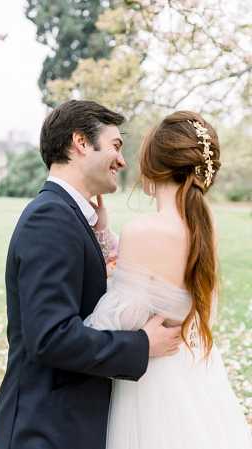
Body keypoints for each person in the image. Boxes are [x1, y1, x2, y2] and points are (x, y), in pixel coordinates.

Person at [0, 100, 182, 449]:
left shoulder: (68, 216)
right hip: (46, 431)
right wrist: (142, 345)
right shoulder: (49, 218)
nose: (123, 161)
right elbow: (50, 337)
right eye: (115, 146)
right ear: (80, 142)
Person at [84, 111, 252, 449]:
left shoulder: (144, 231)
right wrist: (105, 236)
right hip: (195, 373)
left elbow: (113, 323)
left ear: (152, 167)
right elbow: (162, 282)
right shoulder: (204, 230)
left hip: (152, 385)